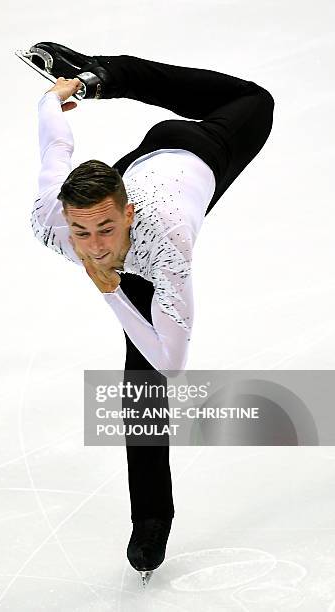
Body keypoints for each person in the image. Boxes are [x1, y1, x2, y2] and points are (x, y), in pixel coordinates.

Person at [27, 42, 275, 583]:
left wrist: (111, 289)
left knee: (256, 101)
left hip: (199, 150)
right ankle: (151, 521)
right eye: (82, 232)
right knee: (140, 376)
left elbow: (173, 358)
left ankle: (104, 74)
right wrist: (56, 97)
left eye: (104, 230)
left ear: (128, 214)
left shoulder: (168, 243)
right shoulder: (58, 224)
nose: (92, 246)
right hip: (131, 171)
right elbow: (56, 146)